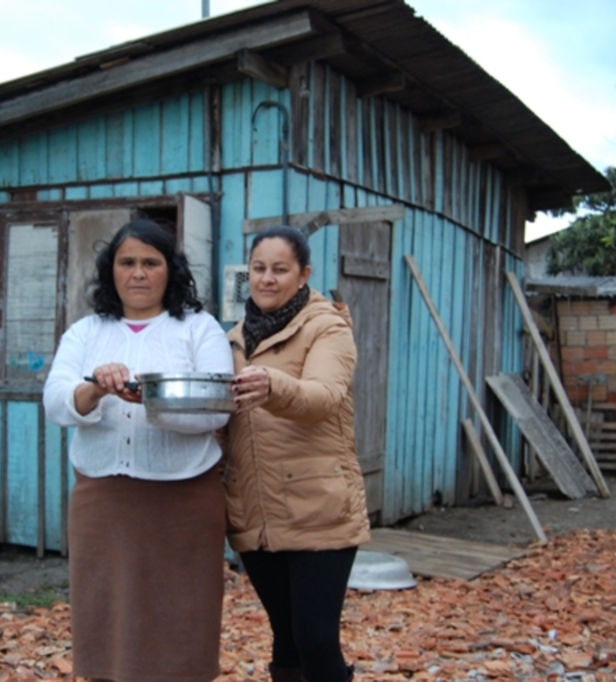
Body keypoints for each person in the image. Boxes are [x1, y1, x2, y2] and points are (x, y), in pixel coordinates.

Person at [43, 218, 233, 682]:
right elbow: (55, 401)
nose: (139, 273)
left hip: (184, 499)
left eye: (152, 262)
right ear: (112, 271)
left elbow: (217, 411)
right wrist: (96, 391)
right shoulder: (86, 332)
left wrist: (149, 400)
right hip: (104, 501)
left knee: (182, 617)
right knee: (106, 613)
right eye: (127, 262)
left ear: (172, 271)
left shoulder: (198, 328)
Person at [220, 224, 370, 682]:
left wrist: (272, 384)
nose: (267, 278)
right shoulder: (233, 338)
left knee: (316, 636)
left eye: (280, 269)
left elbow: (323, 397)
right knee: (284, 633)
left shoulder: (328, 329)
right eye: (259, 268)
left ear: (303, 275)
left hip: (317, 506)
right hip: (255, 509)